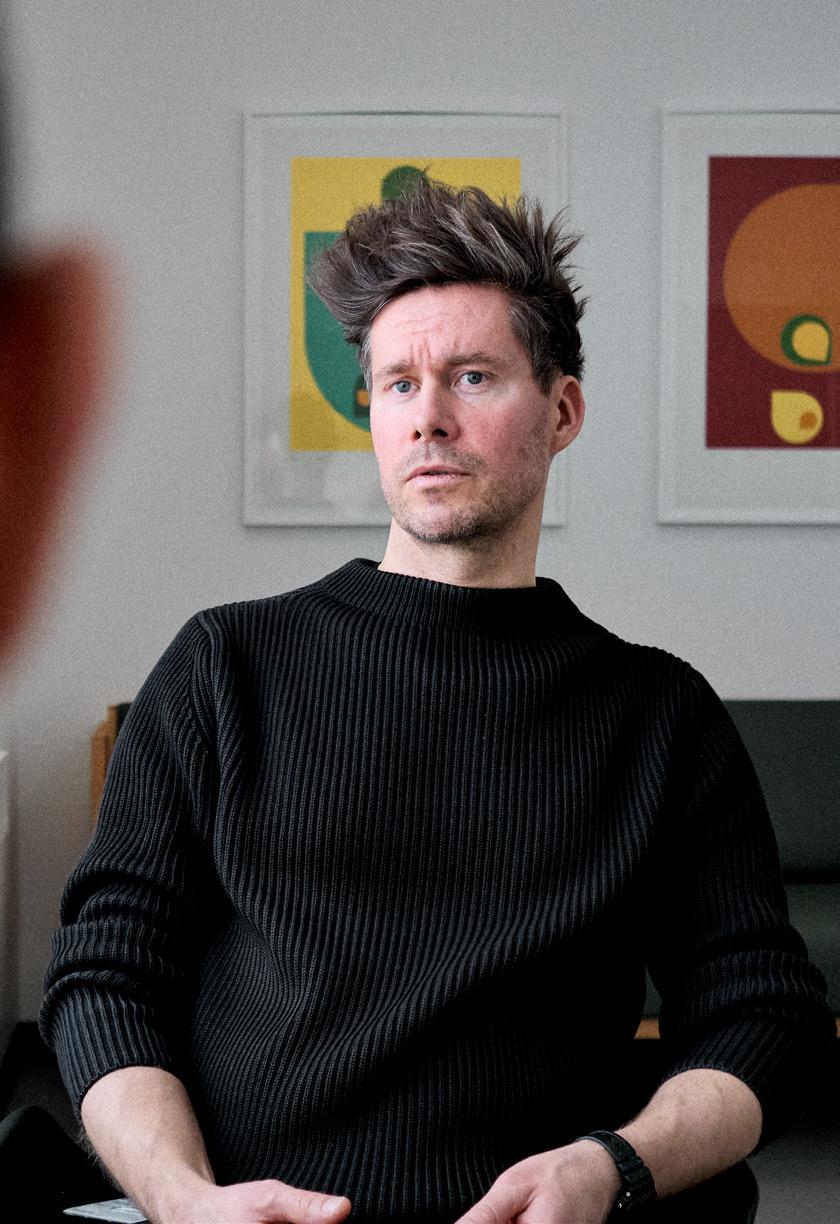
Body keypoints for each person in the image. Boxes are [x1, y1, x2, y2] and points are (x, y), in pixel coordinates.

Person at [40, 179, 832, 1224]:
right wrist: (184, 1200)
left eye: (472, 376)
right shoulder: (225, 666)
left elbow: (762, 1014)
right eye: (399, 384)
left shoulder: (659, 715)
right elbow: (107, 977)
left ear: (562, 411)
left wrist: (611, 1167)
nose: (430, 419)